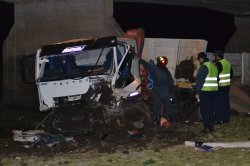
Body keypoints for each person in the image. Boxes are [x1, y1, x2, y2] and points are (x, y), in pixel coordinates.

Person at [139, 56, 176, 126]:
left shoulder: (155, 69)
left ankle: (158, 122)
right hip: (166, 92)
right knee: (168, 107)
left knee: (157, 108)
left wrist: (139, 60)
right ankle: (173, 121)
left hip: (158, 92)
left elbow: (147, 65)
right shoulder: (166, 71)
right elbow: (171, 82)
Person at [195, 52, 218, 133]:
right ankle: (211, 127)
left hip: (205, 92)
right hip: (214, 91)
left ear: (201, 59)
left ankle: (207, 128)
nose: (199, 61)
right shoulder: (213, 66)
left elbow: (200, 81)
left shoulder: (204, 67)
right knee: (211, 110)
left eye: (199, 59)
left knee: (204, 110)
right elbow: (217, 79)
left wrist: (197, 92)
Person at [213, 51, 233, 124]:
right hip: (227, 86)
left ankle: (220, 119)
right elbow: (231, 74)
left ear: (218, 56)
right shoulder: (227, 63)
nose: (214, 58)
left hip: (220, 86)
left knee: (219, 103)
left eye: (215, 56)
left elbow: (215, 74)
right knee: (226, 103)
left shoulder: (219, 64)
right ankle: (226, 119)